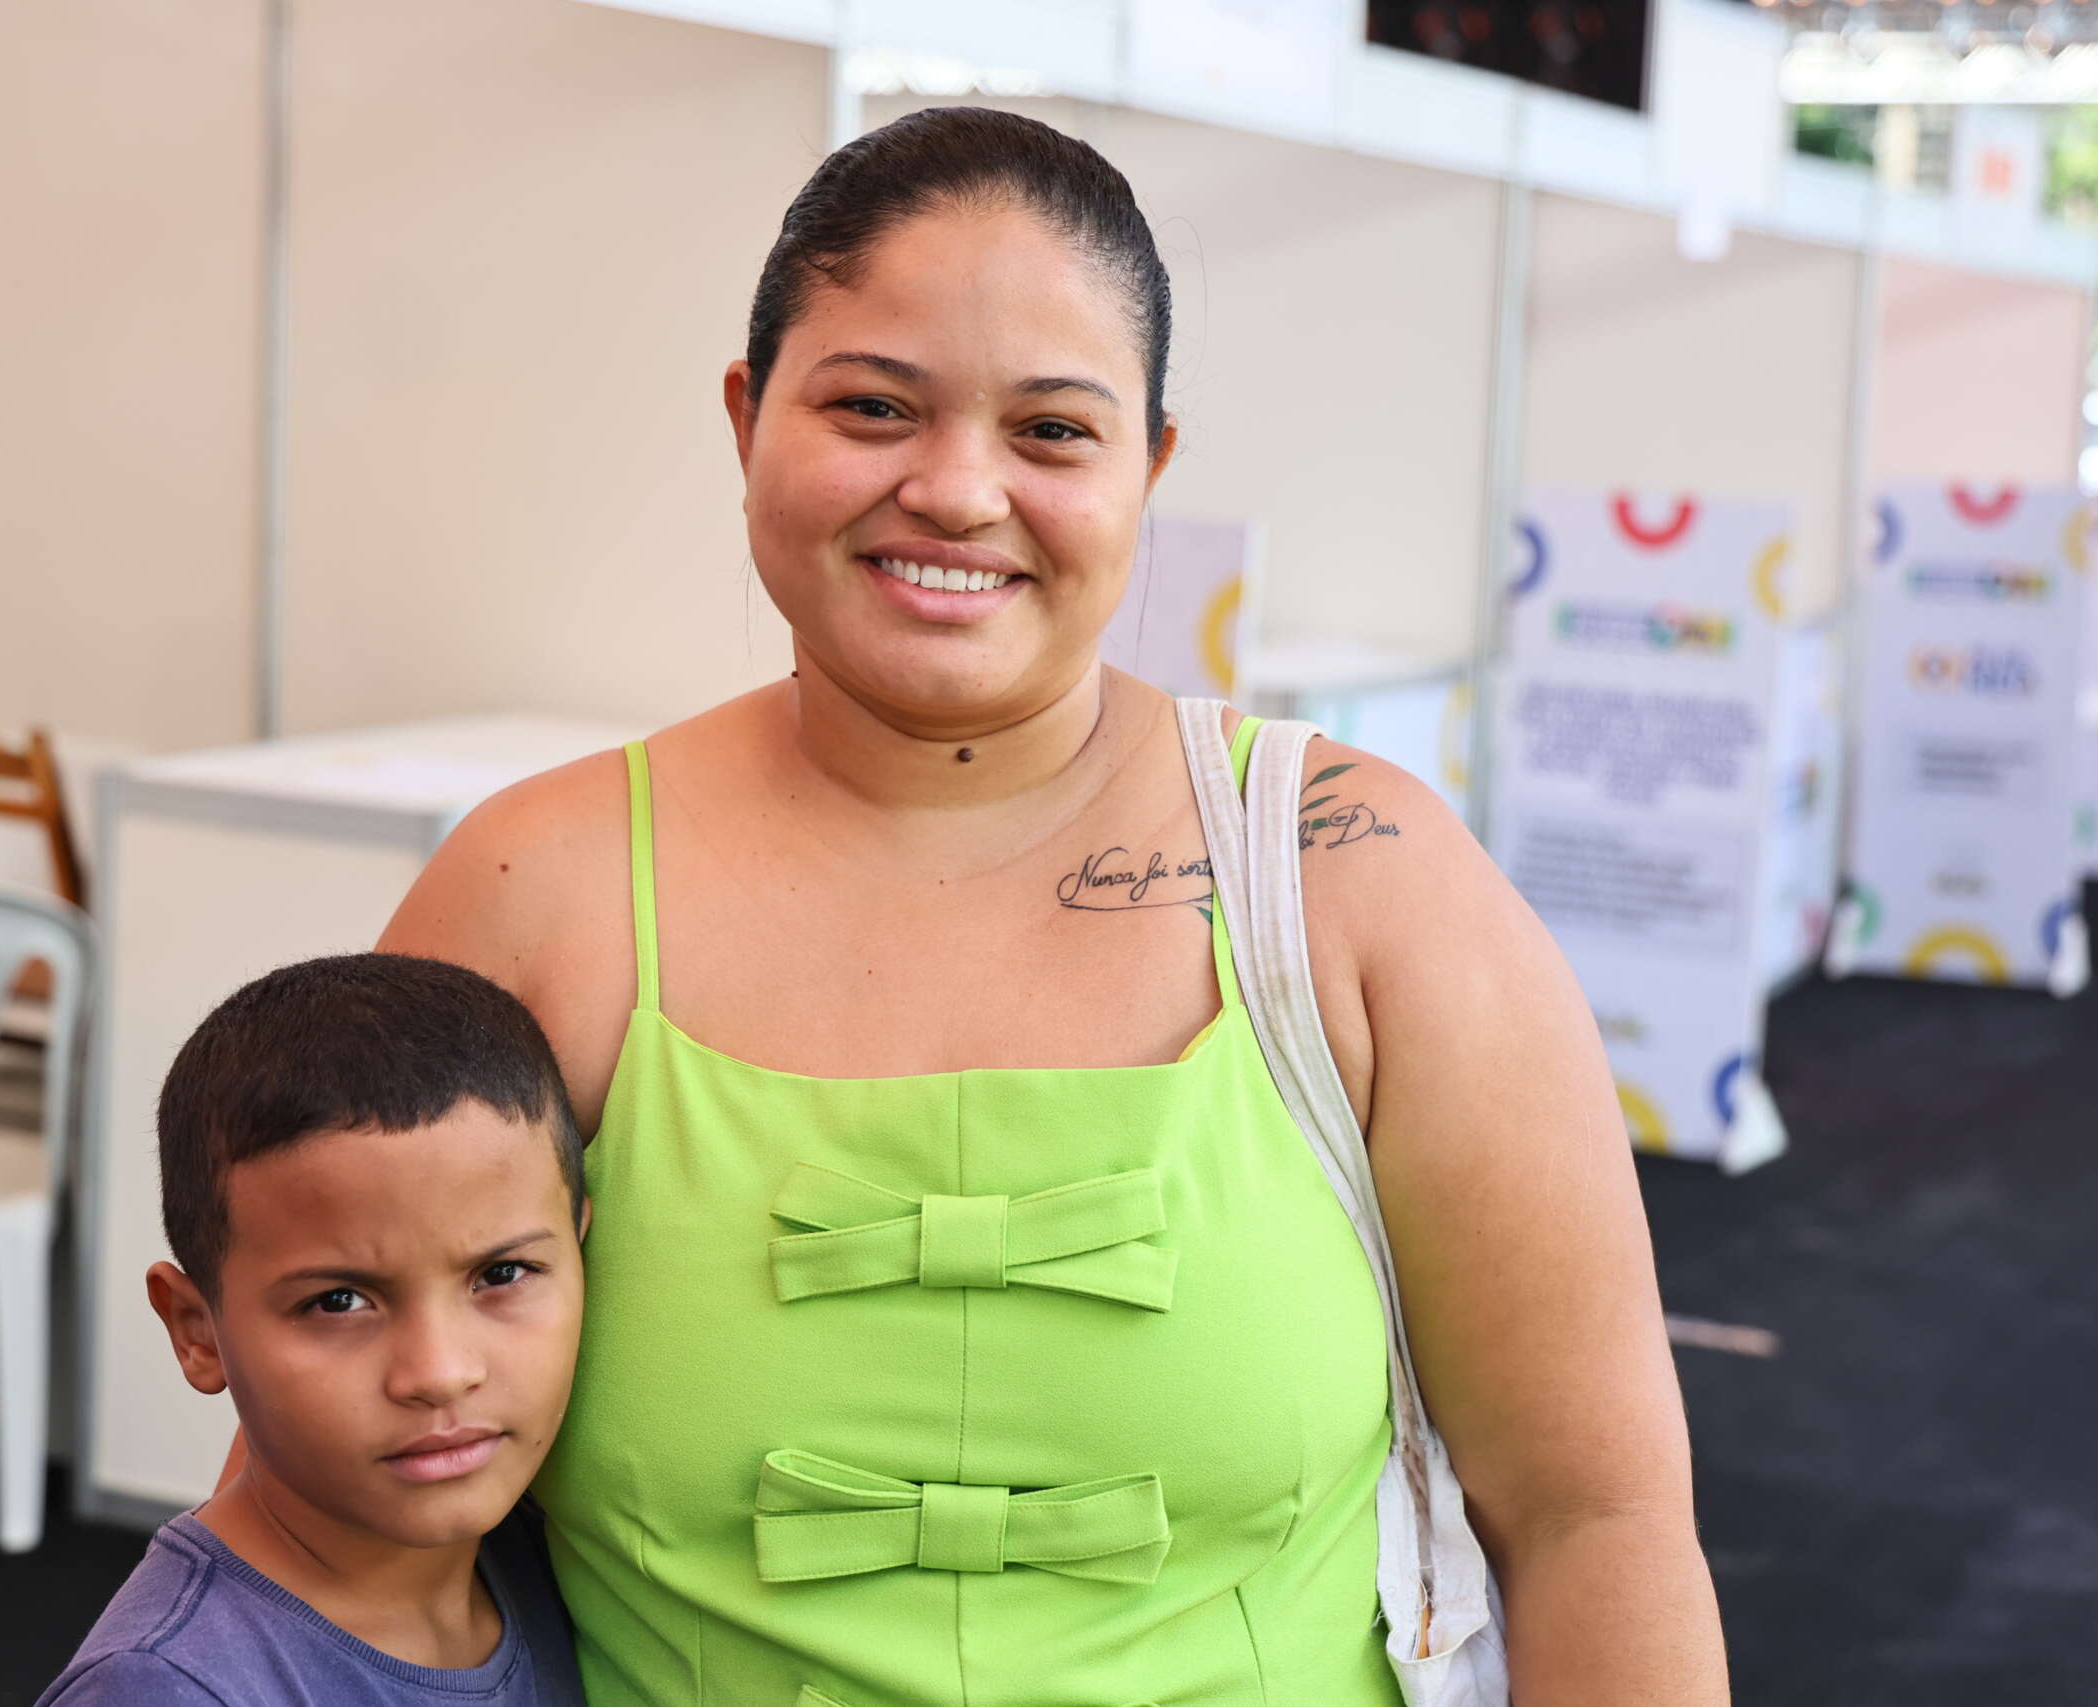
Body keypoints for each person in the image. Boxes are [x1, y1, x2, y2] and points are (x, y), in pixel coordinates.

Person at [379, 106, 1730, 1703]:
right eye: (873, 406)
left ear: (1150, 466)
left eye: (1053, 431)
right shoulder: (538, 893)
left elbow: (1593, 1519)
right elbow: (334, 1498)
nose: (958, 490)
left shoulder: (1359, 876)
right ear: (747, 419)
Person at [40, 954, 590, 1707]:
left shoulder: (551, 1554)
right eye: (339, 1301)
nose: (439, 1372)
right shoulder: (167, 1690)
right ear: (197, 1331)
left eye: (502, 1273)